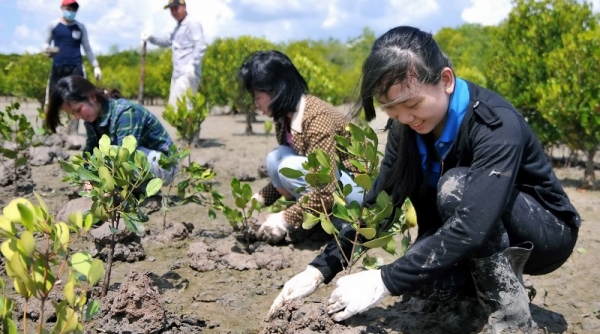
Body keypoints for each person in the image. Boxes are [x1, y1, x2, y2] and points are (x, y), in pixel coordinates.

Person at [267, 26, 580, 333]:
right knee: (418, 276)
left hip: (546, 232)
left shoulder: (495, 125)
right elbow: (379, 207)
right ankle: (477, 297)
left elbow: (472, 225)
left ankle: (513, 322)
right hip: (472, 230)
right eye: (391, 109)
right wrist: (320, 269)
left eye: (412, 104)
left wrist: (382, 279)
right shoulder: (406, 131)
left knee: (455, 187)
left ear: (445, 80)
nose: (405, 118)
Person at [238, 50, 364, 244]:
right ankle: (312, 215)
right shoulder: (283, 118)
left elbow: (325, 188)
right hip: (331, 184)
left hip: (356, 194)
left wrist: (284, 219)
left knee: (287, 166)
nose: (256, 105)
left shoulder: (316, 118)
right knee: (275, 159)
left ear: (275, 90)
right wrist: (256, 202)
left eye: (258, 97)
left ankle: (340, 221)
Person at [45, 76, 177, 185]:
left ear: (92, 97)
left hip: (165, 166)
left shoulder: (125, 112)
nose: (79, 117)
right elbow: (90, 153)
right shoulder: (91, 120)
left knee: (109, 157)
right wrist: (87, 178)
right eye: (73, 114)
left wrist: (99, 181)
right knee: (98, 159)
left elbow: (125, 156)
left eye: (78, 110)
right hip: (140, 168)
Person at [44, 0, 102, 135]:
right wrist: (48, 50)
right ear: (62, 7)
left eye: (74, 9)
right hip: (58, 67)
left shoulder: (80, 27)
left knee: (79, 99)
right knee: (52, 99)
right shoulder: (54, 25)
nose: (71, 11)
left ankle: (73, 132)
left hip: (76, 67)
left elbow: (87, 47)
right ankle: (48, 130)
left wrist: (96, 65)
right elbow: (45, 43)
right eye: (69, 8)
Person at [141, 0, 207, 108]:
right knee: (175, 109)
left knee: (185, 108)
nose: (174, 12)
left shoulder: (192, 23)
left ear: (184, 7)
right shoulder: (177, 28)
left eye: (176, 8)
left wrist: (192, 64)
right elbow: (166, 41)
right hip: (177, 74)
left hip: (187, 73)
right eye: (171, 10)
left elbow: (200, 46)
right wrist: (151, 38)